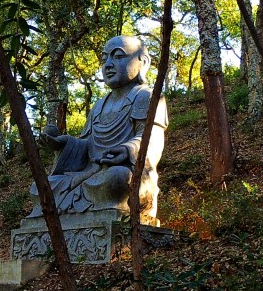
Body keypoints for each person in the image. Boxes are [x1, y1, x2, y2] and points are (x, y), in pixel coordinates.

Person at [29, 35, 168, 223]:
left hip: (121, 172)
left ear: (142, 62)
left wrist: (127, 149)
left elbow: (152, 139)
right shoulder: (99, 106)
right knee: (41, 186)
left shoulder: (145, 96)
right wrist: (65, 143)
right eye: (104, 59)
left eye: (118, 56)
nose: (108, 64)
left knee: (118, 179)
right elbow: (88, 146)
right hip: (91, 174)